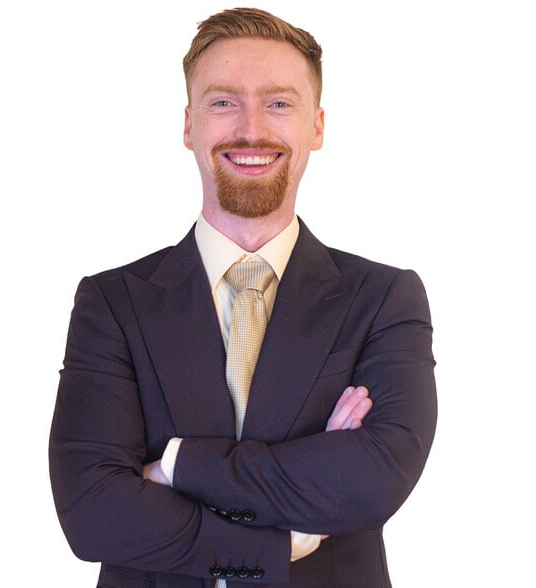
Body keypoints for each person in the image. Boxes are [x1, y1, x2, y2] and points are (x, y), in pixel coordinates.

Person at [49, 7, 437, 587]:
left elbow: (375, 478)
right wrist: (285, 534)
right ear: (189, 125)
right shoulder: (112, 303)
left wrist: (175, 466)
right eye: (223, 102)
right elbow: (92, 512)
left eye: (279, 103)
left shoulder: (383, 299)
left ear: (317, 127)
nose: (251, 129)